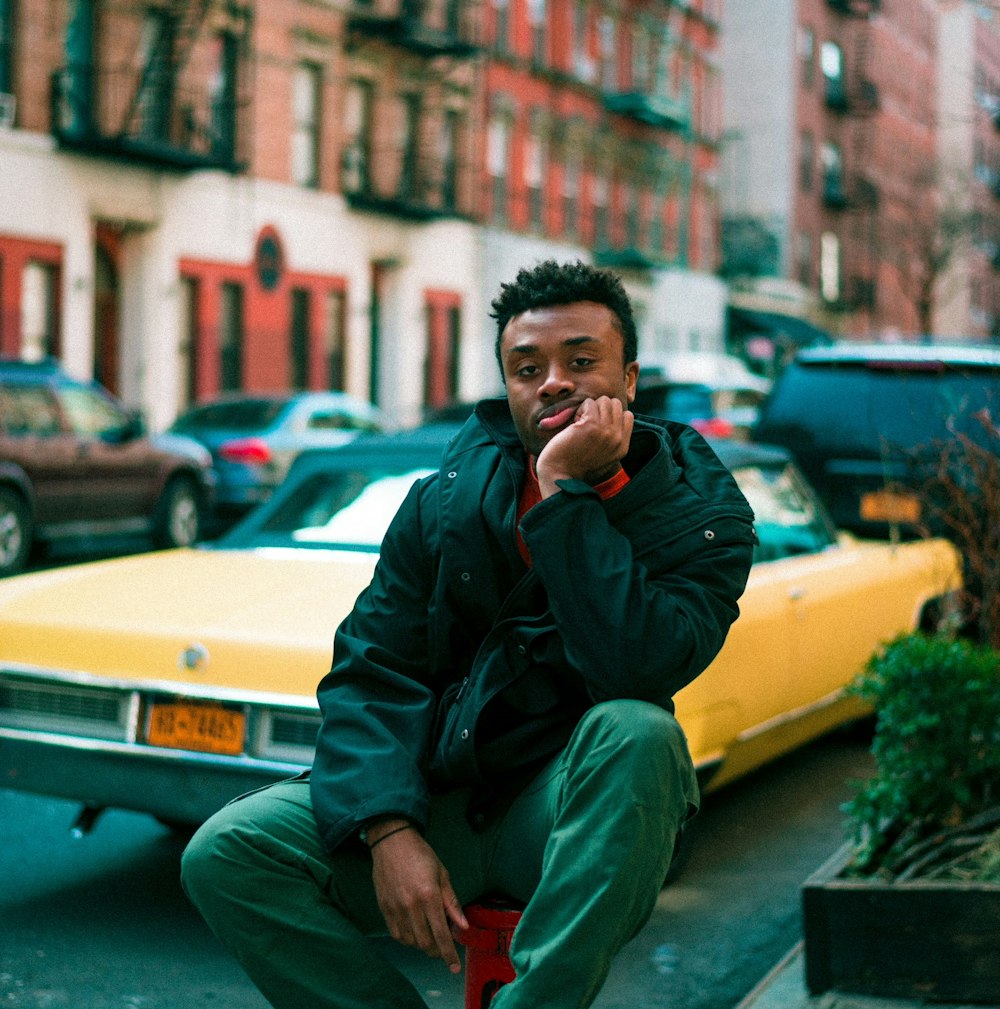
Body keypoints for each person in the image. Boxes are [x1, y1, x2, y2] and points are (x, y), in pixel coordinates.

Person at [181, 259, 757, 1009]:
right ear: (509, 385)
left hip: (569, 820)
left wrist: (562, 495)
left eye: (581, 361)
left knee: (640, 731)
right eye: (527, 368)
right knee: (225, 853)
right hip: (441, 799)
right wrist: (388, 827)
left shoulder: (699, 518)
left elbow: (638, 666)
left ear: (630, 380)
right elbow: (371, 669)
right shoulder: (442, 502)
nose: (552, 381)